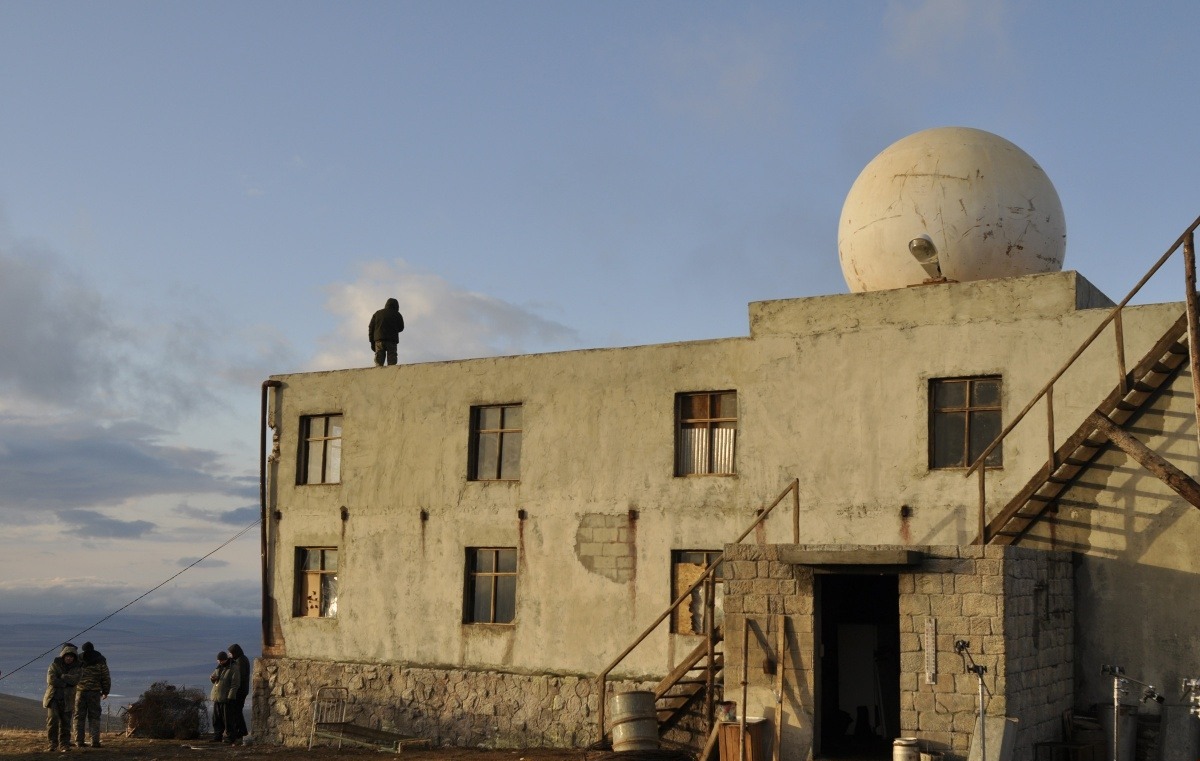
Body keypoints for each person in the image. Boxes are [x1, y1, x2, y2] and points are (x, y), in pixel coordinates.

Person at [43, 643, 80, 752]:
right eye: (67, 656)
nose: (69, 658)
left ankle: (64, 744)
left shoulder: (78, 668)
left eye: (71, 656)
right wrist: (65, 683)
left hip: (67, 699)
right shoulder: (54, 665)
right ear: (63, 656)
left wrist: (63, 676)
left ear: (74, 657)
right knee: (52, 721)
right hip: (53, 697)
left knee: (65, 723)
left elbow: (75, 680)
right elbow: (51, 680)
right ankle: (52, 744)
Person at [73, 642, 110, 749]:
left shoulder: (78, 660)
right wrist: (105, 691)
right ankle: (95, 741)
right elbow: (105, 677)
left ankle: (79, 741)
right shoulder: (100, 660)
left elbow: (73, 675)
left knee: (78, 717)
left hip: (80, 692)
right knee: (94, 717)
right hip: (94, 692)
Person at [209, 651, 240, 743]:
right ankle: (217, 736)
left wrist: (230, 697)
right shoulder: (218, 668)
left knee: (228, 719)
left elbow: (235, 684)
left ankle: (231, 738)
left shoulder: (233, 668)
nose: (219, 662)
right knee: (216, 718)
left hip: (226, 698)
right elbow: (215, 678)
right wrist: (212, 679)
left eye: (221, 660)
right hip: (217, 697)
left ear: (225, 659)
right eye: (218, 660)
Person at [368, 297, 405, 366]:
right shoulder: (397, 314)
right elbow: (401, 328)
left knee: (379, 365)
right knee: (392, 364)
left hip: (379, 341)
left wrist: (372, 342)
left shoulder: (377, 314)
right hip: (392, 341)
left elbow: (371, 328)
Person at [226, 643, 251, 743]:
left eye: (231, 653)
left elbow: (239, 676)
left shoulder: (240, 660)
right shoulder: (240, 659)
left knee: (236, 711)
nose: (230, 655)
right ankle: (241, 731)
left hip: (240, 691)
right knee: (237, 711)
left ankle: (241, 731)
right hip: (241, 690)